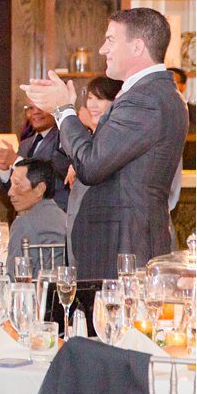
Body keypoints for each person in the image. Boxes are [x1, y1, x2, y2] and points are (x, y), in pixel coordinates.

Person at [23, 8, 189, 280]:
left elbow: (91, 165)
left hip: (123, 245)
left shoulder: (145, 98)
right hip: (122, 241)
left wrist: (63, 109)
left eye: (111, 40)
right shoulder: (151, 93)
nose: (102, 49)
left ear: (137, 46)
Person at [64, 75, 121, 266]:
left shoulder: (118, 132)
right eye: (89, 98)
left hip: (106, 232)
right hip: (80, 224)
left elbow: (100, 163)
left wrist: (92, 124)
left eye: (100, 98)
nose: (93, 104)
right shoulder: (89, 134)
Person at [0, 102, 72, 213]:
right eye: (30, 108)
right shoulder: (24, 145)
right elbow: (12, 191)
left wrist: (15, 160)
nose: (35, 112)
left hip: (55, 215)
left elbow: (54, 178)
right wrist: (4, 169)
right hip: (26, 219)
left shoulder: (64, 139)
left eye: (41, 107)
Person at [6, 159, 68, 272]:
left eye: (17, 184)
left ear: (40, 189)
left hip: (34, 288)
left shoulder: (23, 223)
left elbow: (14, 278)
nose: (10, 192)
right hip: (62, 287)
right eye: (11, 184)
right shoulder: (64, 219)